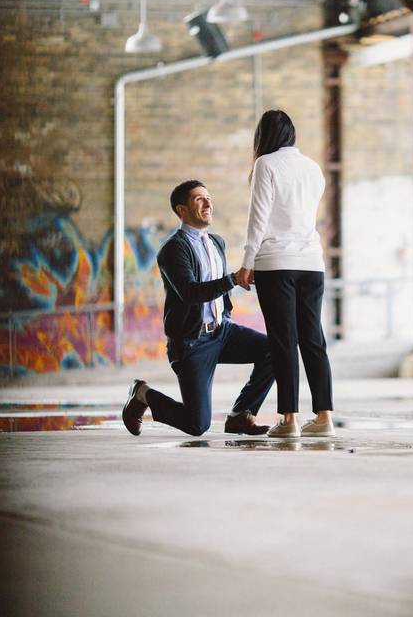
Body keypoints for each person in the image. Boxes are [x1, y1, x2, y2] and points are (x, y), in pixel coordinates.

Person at [122, 180, 274, 437]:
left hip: (222, 332)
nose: (208, 203)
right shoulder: (173, 249)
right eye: (199, 199)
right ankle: (142, 394)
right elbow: (190, 293)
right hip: (193, 341)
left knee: (275, 350)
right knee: (197, 425)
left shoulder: (217, 243)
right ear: (182, 210)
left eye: (209, 197)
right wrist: (234, 279)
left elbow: (218, 290)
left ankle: (240, 415)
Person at [236, 109, 336, 438]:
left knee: (283, 341)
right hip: (311, 263)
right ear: (292, 134)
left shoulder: (266, 165)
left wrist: (247, 262)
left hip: (276, 263)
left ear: (263, 137)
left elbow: (259, 217)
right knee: (313, 340)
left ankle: (289, 420)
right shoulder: (313, 169)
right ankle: (324, 418)